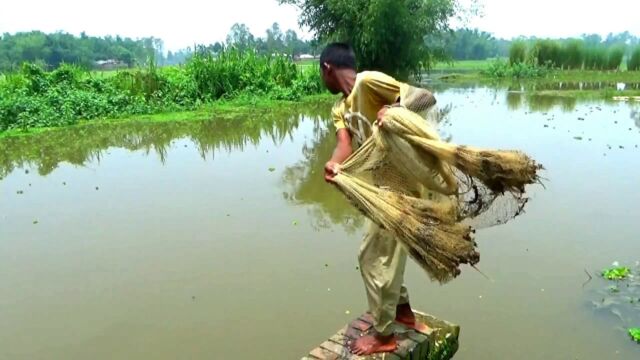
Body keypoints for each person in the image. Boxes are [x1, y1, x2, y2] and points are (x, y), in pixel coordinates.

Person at [320, 42, 430, 356]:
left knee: (372, 257)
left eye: (321, 74)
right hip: (381, 190)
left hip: (404, 185)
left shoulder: (368, 83)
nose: (322, 81)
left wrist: (395, 108)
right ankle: (404, 315)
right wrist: (333, 164)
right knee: (383, 256)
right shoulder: (339, 109)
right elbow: (345, 145)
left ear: (328, 68)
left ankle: (385, 337)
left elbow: (423, 97)